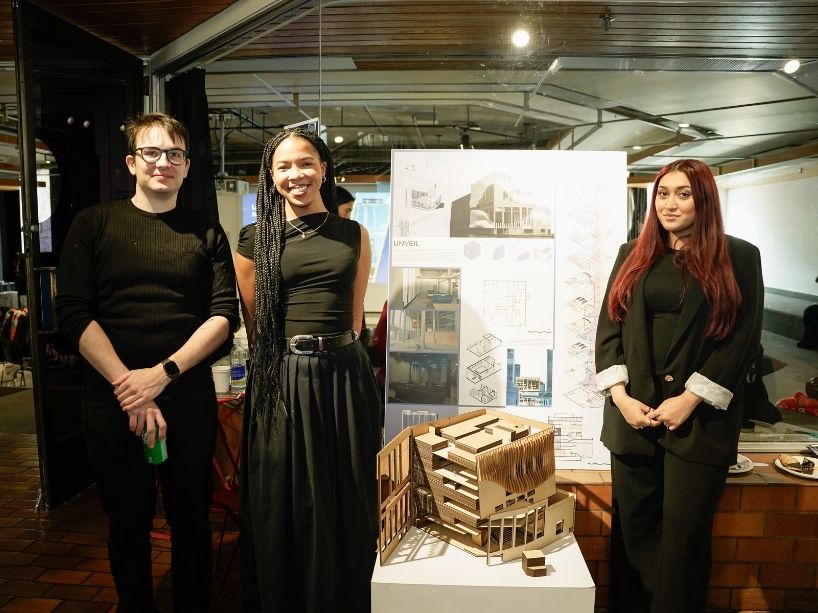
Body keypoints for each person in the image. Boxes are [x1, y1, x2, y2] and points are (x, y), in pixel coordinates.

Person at [56, 112, 238, 612]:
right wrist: (129, 386)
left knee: (192, 522)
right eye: (152, 153)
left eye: (175, 154)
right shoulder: (94, 224)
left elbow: (224, 316)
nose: (164, 163)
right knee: (127, 523)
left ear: (186, 167)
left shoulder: (205, 231)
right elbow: (74, 314)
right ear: (132, 162)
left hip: (186, 396)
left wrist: (161, 376)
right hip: (112, 400)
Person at [594, 159, 763, 613]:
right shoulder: (633, 253)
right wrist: (621, 397)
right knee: (634, 533)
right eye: (663, 193)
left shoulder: (739, 256)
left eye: (683, 194)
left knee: (684, 539)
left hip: (699, 421)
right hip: (634, 417)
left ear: (704, 199)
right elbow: (610, 329)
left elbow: (742, 340)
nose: (670, 203)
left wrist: (689, 399)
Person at [235, 128, 381, 612]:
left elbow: (356, 315)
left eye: (305, 163)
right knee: (288, 495)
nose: (295, 174)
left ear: (322, 167)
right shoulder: (256, 239)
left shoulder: (353, 233)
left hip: (345, 375)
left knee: (346, 491)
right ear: (270, 175)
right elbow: (257, 325)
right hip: (285, 379)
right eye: (283, 166)